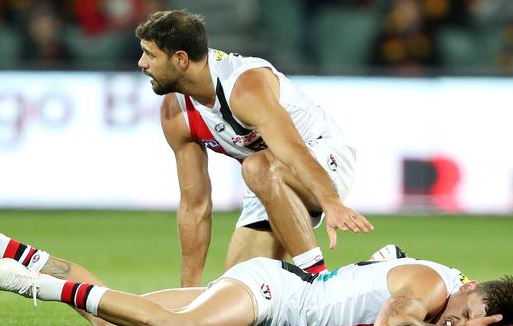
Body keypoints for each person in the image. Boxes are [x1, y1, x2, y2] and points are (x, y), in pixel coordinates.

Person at [0, 210, 513, 326]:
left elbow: (376, 270)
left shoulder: (437, 274)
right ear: (471, 291)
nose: (458, 319)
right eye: (471, 313)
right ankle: (47, 285)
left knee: (112, 321)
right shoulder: (431, 288)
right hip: (271, 294)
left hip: (276, 285)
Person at [135, 10, 374, 286]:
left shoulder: (244, 86)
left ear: (180, 59)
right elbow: (194, 205)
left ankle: (321, 282)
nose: (142, 63)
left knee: (256, 166)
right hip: (267, 182)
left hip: (322, 158)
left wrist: (331, 203)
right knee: (235, 294)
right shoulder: (175, 113)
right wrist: (190, 290)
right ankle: (374, 266)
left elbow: (293, 151)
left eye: (149, 54)